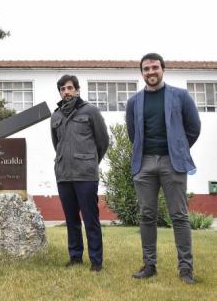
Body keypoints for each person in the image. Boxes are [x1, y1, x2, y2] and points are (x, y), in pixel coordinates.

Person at [126, 53, 201, 284]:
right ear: (142, 73)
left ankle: (186, 269)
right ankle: (149, 266)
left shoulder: (181, 96)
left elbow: (193, 128)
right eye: (146, 69)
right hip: (145, 163)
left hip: (172, 162)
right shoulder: (134, 102)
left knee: (179, 216)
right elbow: (133, 133)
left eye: (154, 68)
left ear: (163, 69)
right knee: (147, 215)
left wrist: (177, 149)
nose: (151, 72)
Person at [50, 75, 109, 272]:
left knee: (90, 219)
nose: (66, 92)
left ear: (77, 90)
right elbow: (56, 144)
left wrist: (90, 161)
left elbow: (102, 142)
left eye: (69, 88)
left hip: (85, 175)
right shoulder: (56, 116)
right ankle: (75, 257)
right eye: (62, 89)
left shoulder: (90, 111)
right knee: (71, 219)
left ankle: (96, 261)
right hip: (64, 175)